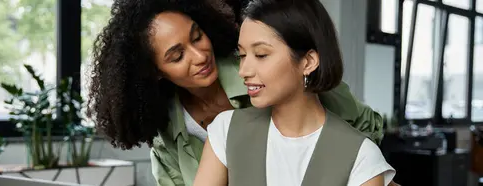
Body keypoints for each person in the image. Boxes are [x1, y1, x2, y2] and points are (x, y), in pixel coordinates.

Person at [87, 0, 384, 185]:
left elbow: (361, 134)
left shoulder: (277, 74)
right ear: (154, 72)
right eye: (177, 56)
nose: (200, 55)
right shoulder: (170, 135)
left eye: (197, 36)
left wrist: (364, 171)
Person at [193, 0, 395, 185]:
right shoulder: (226, 131)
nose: (243, 71)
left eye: (261, 55)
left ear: (308, 62)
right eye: (242, 55)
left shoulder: (361, 158)